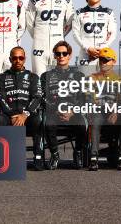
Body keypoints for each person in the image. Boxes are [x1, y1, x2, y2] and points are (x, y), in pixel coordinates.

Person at [0, 47, 44, 170]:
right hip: (9, 115)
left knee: (38, 120)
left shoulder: (33, 77)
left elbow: (37, 97)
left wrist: (25, 114)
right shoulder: (1, 77)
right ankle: (4, 157)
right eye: (15, 58)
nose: (18, 60)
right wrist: (11, 115)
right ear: (10, 59)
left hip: (27, 115)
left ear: (24, 59)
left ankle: (38, 156)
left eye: (20, 58)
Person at [41, 41, 88, 170]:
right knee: (48, 124)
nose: (61, 56)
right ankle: (55, 155)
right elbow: (42, 97)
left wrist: (72, 112)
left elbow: (83, 98)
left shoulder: (79, 76)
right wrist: (56, 111)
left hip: (73, 112)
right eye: (58, 53)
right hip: (54, 112)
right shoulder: (46, 76)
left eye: (64, 53)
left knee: (82, 124)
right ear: (55, 56)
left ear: (69, 55)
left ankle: (78, 152)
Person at [26, 0, 75, 75]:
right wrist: (39, 36)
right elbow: (29, 24)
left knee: (57, 80)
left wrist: (60, 35)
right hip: (39, 45)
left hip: (58, 44)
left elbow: (70, 22)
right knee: (39, 80)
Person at [87, 47, 121, 171]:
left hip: (114, 112)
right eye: (101, 60)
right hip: (98, 111)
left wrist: (116, 112)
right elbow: (89, 97)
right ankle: (93, 158)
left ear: (114, 61)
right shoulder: (91, 78)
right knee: (95, 120)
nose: (103, 63)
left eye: (106, 60)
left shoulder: (120, 80)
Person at [72, 0, 117, 68]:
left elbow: (112, 33)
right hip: (85, 54)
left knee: (103, 81)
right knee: (86, 80)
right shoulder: (79, 13)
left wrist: (102, 48)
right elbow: (75, 34)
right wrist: (87, 48)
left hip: (103, 53)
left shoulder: (108, 12)